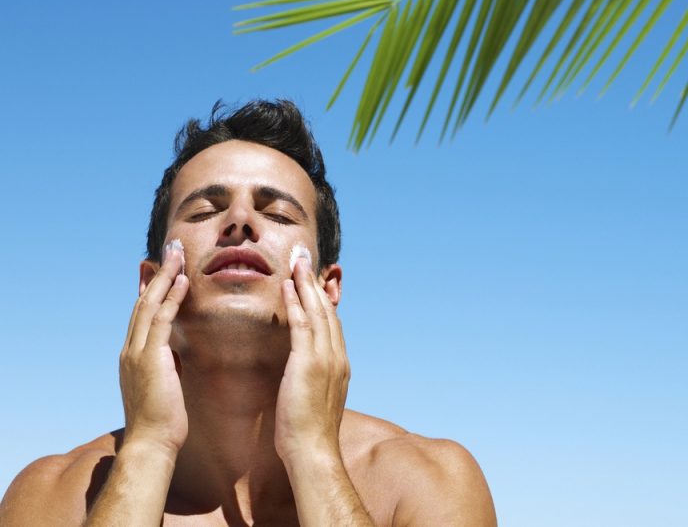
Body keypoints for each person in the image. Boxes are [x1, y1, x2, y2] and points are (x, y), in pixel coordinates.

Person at [0, 100, 496, 526]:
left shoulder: (426, 483)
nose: (239, 221)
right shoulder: (55, 495)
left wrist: (314, 456)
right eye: (203, 212)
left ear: (328, 287)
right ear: (151, 282)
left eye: (278, 214)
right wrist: (149, 448)